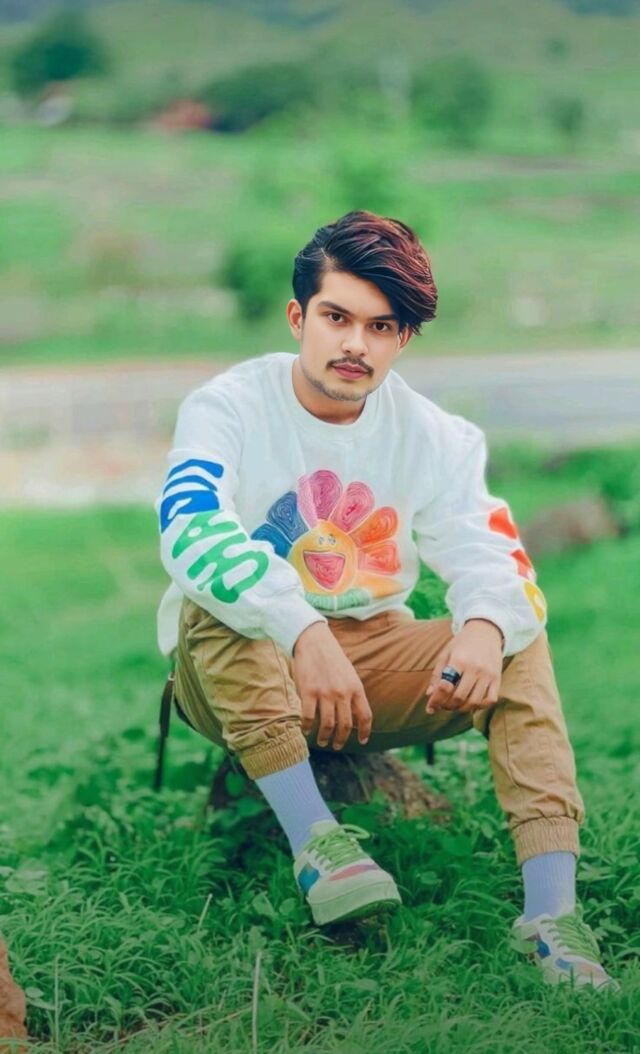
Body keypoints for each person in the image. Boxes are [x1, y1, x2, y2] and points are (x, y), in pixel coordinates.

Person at [155, 210, 615, 990]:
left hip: (370, 666)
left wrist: (482, 627)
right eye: (336, 318)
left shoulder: (437, 435)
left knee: (517, 636)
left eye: (381, 327)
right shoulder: (226, 405)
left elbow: (494, 557)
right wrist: (302, 630)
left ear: (404, 339)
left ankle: (552, 917)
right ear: (298, 316)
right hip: (234, 668)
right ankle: (318, 845)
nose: (355, 345)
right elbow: (189, 527)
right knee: (222, 599)